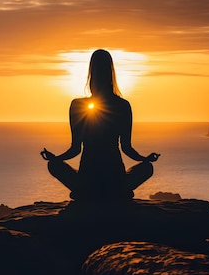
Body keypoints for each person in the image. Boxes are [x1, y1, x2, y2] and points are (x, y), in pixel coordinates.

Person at [40, 49, 159, 201]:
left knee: (54, 166)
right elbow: (126, 148)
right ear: (110, 72)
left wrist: (56, 158)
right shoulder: (122, 105)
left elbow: (75, 149)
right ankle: (117, 192)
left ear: (91, 73)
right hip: (115, 177)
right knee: (147, 168)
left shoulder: (78, 105)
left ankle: (84, 192)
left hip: (87, 177)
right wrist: (145, 159)